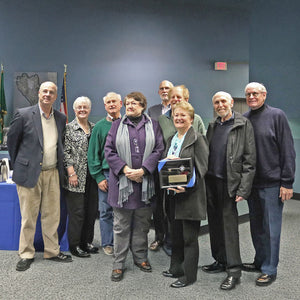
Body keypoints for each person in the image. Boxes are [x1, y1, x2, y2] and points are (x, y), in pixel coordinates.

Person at [7, 81, 72, 271]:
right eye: (45, 91)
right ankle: (26, 253)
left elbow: (59, 144)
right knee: (28, 217)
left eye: (52, 92)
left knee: (52, 215)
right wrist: (23, 163)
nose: (48, 95)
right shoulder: (24, 114)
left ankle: (52, 251)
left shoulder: (60, 117)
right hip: (29, 173)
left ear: (55, 95)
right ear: (38, 93)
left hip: (52, 173)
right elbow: (13, 143)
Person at [105, 92, 164, 282]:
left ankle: (140, 257)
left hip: (145, 185)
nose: (129, 106)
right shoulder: (116, 126)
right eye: (127, 103)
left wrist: (144, 170)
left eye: (134, 103)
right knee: (120, 226)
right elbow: (109, 151)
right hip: (122, 185)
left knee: (142, 225)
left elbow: (159, 150)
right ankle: (118, 263)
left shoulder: (153, 125)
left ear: (142, 105)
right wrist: (126, 169)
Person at [242, 82, 296, 286]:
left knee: (271, 228)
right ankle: (259, 261)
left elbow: (288, 150)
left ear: (264, 95)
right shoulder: (245, 119)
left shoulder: (277, 116)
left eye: (255, 93)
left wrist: (287, 182)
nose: (251, 97)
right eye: (248, 94)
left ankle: (270, 268)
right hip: (252, 184)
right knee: (257, 227)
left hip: (272, 184)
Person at [202, 91, 256, 290]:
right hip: (211, 183)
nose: (220, 105)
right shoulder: (213, 125)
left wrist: (244, 188)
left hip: (229, 185)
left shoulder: (242, 125)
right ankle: (220, 260)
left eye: (223, 101)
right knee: (215, 224)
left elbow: (250, 161)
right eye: (216, 102)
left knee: (229, 229)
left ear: (231, 102)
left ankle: (234, 271)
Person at [161, 101, 208, 288]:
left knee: (189, 238)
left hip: (190, 195)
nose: (178, 118)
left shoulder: (198, 139)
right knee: (176, 235)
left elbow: (202, 167)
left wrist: (186, 185)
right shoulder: (172, 138)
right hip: (172, 195)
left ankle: (189, 275)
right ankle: (175, 268)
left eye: (183, 115)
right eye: (175, 115)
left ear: (191, 118)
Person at [88, 92, 122, 256]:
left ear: (121, 103)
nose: (111, 104)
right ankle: (107, 243)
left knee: (124, 211)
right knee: (106, 211)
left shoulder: (128, 123)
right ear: (105, 106)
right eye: (108, 102)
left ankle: (123, 242)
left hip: (125, 175)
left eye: (114, 101)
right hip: (107, 175)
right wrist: (98, 177)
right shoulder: (99, 127)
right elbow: (93, 154)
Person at [63, 96, 98, 258]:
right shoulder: (69, 129)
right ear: (74, 109)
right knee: (77, 213)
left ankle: (86, 242)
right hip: (75, 177)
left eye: (85, 107)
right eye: (79, 107)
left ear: (89, 109)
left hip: (92, 177)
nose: (82, 109)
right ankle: (75, 245)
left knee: (91, 212)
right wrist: (71, 172)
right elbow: (65, 153)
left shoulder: (94, 127)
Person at [148, 80, 173, 254]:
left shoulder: (180, 109)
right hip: (156, 163)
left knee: (171, 204)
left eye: (167, 88)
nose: (165, 91)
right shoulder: (152, 111)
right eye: (162, 89)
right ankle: (158, 237)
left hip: (173, 163)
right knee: (156, 204)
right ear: (159, 92)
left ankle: (171, 240)